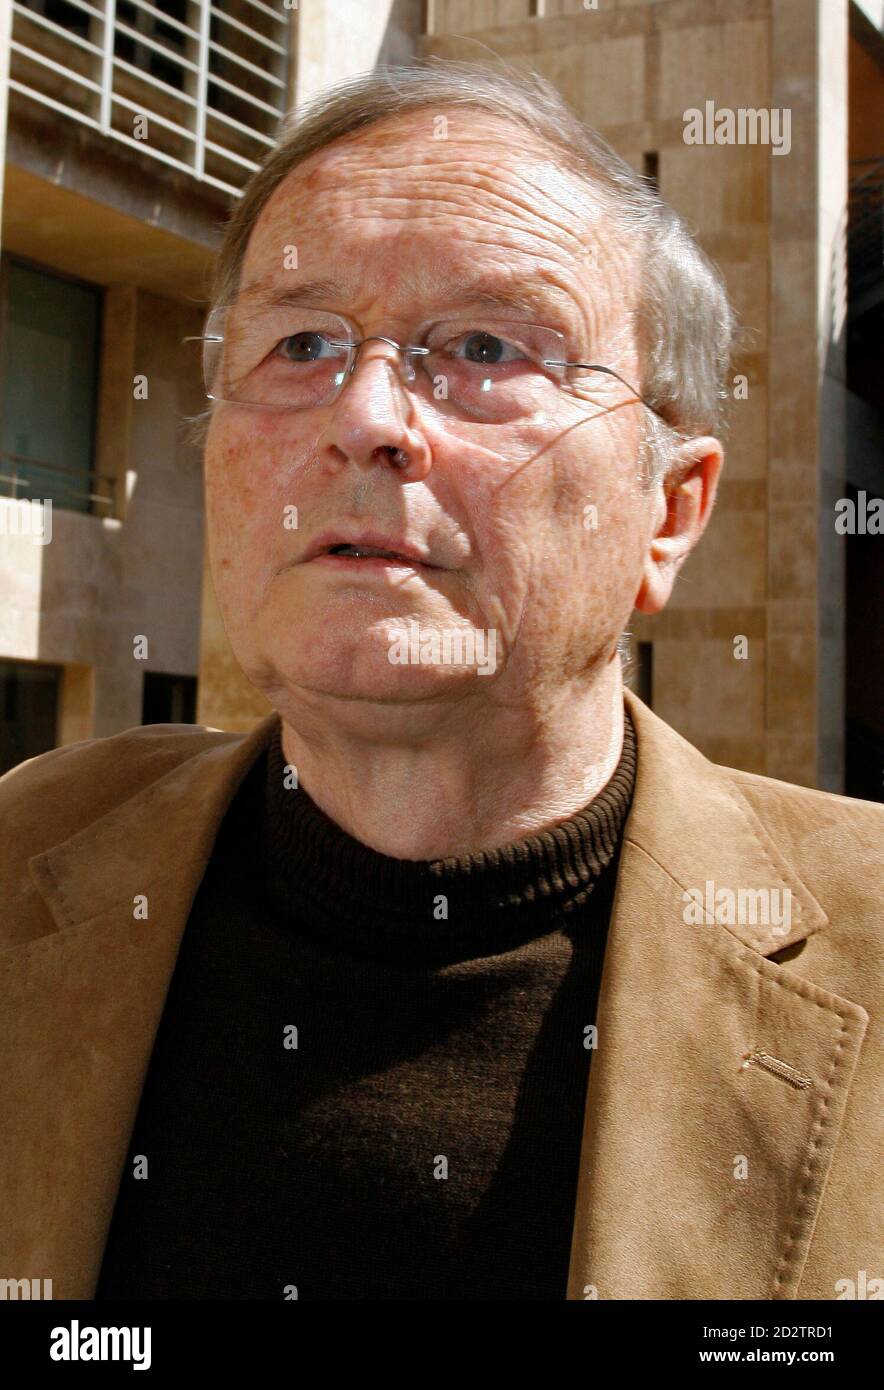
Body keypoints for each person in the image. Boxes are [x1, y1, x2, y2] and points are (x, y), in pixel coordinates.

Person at [1, 61, 881, 1302]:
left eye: (482, 345)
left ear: (667, 511)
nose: (366, 415)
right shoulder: (24, 848)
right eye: (300, 342)